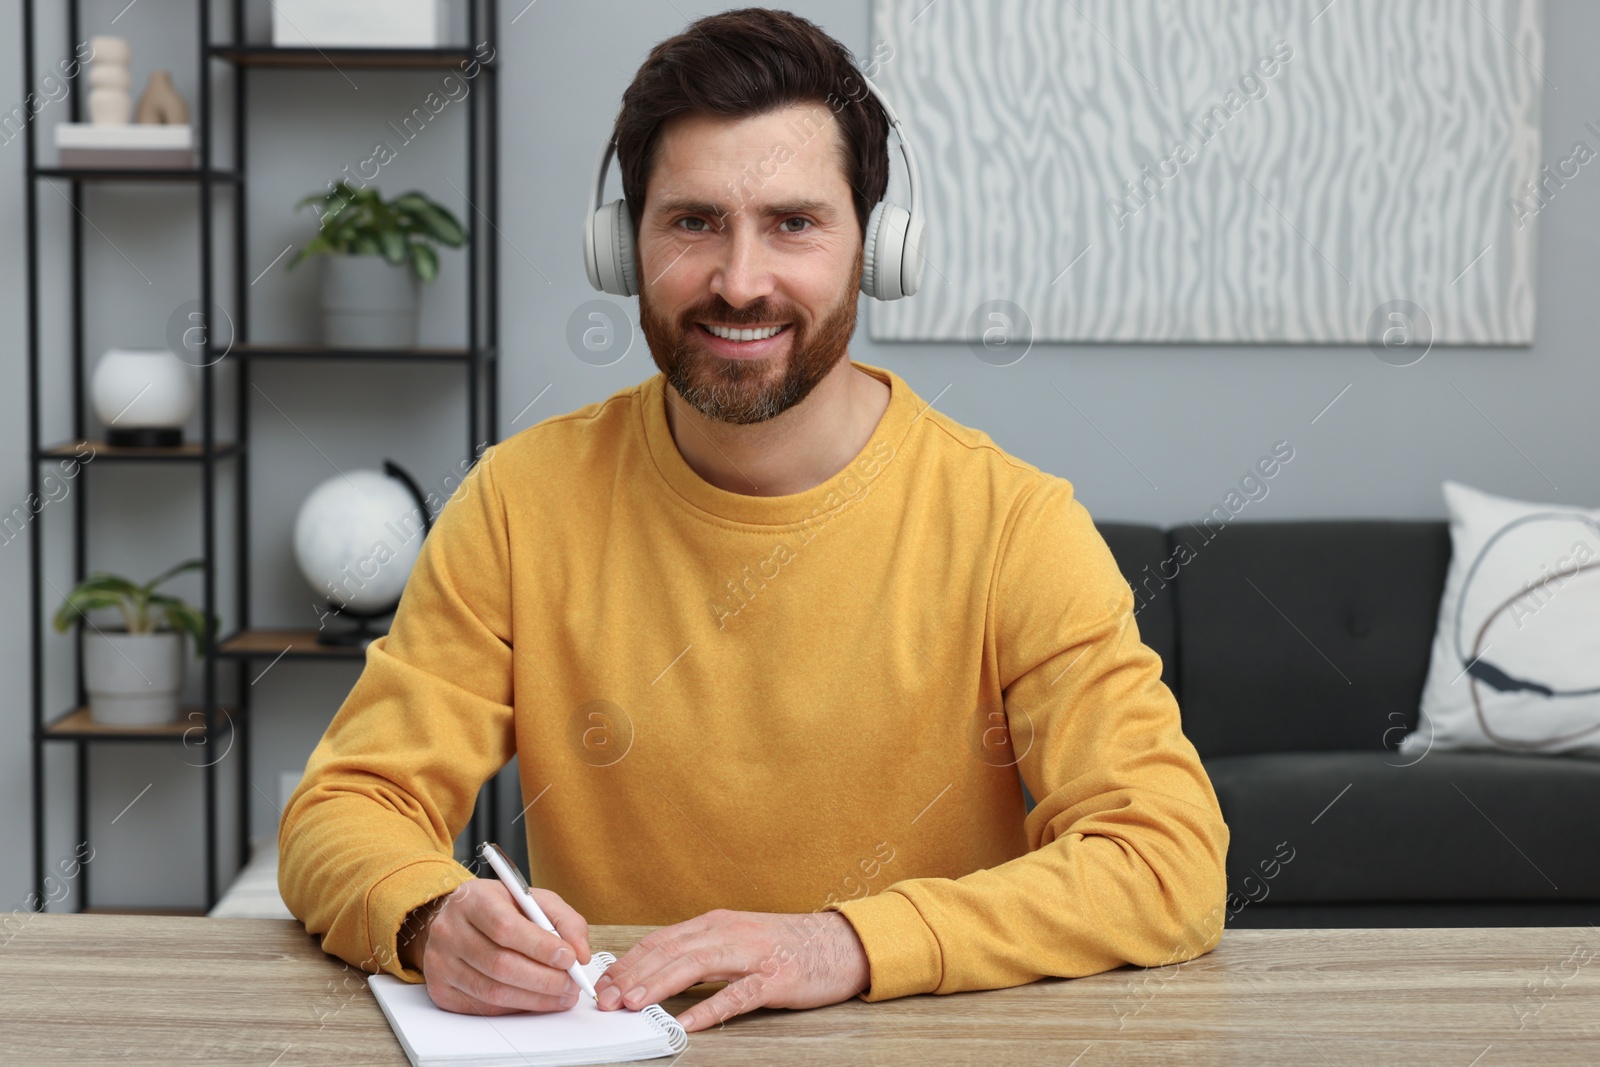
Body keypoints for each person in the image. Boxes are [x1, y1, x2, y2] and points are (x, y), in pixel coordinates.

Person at [278, 6, 1229, 1035]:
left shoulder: (1014, 525)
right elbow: (344, 807)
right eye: (692, 221)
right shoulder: (518, 503)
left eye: (793, 222)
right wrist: (427, 915)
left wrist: (842, 940)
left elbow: (1167, 857)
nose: (739, 281)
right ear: (617, 246)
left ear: (879, 246)